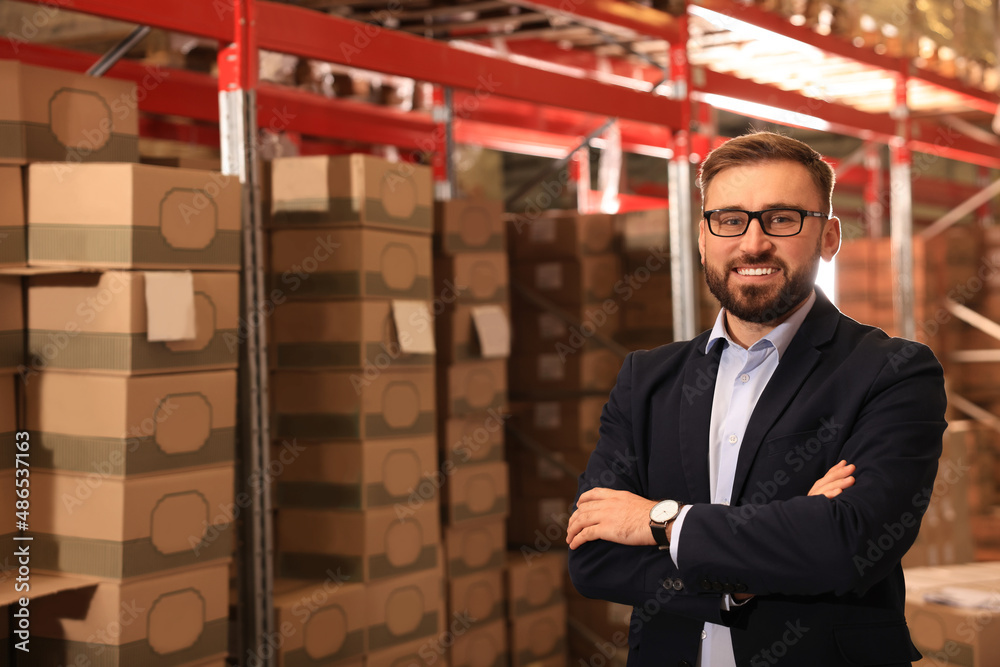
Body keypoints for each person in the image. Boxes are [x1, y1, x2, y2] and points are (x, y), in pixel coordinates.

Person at [565, 130, 946, 667]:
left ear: (829, 237)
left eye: (783, 218)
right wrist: (741, 580)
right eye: (729, 219)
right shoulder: (647, 379)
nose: (753, 243)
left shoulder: (892, 372)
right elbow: (594, 558)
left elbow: (846, 545)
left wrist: (660, 523)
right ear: (703, 236)